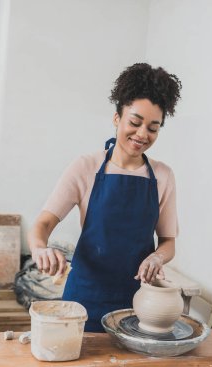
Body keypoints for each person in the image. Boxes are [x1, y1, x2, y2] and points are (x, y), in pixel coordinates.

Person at [28, 63, 182, 333]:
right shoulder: (86, 166)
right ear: (116, 118)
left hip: (140, 304)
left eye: (153, 128)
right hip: (85, 300)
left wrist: (157, 258)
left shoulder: (163, 176)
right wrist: (41, 248)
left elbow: (168, 242)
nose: (142, 134)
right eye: (134, 122)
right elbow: (42, 224)